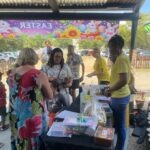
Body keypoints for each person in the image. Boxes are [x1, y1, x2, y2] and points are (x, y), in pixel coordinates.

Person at [7, 48, 53, 150]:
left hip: (16, 116)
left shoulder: (11, 74)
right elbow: (50, 96)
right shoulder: (38, 74)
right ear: (34, 58)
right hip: (32, 118)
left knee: (20, 139)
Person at [104, 35, 131, 150]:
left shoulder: (121, 59)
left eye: (111, 48)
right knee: (118, 124)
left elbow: (124, 80)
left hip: (120, 97)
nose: (110, 50)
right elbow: (118, 78)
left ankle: (119, 148)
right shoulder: (119, 57)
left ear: (118, 47)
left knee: (120, 126)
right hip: (118, 95)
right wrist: (110, 86)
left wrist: (110, 89)